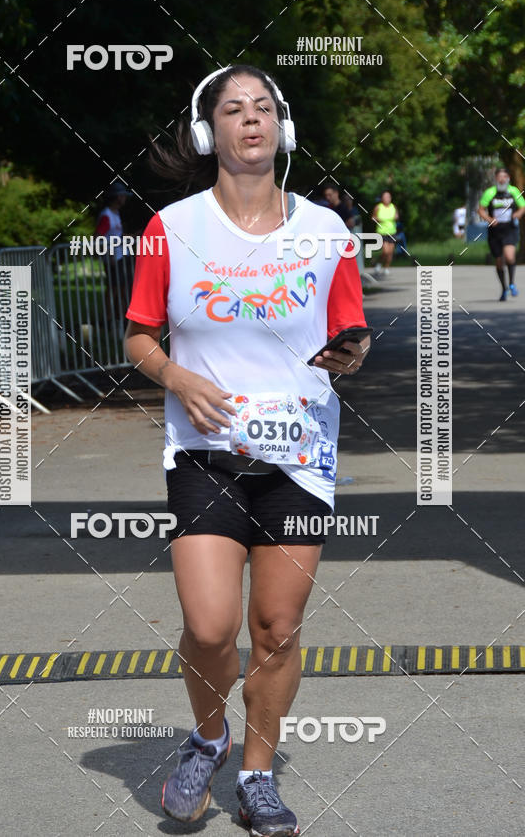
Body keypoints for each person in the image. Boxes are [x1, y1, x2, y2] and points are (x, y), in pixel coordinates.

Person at [124, 64, 370, 837]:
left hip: (298, 457)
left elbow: (351, 333)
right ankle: (207, 737)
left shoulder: (326, 232)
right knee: (207, 624)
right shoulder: (173, 228)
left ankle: (258, 776)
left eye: (263, 107)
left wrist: (350, 356)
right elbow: (137, 336)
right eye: (234, 109)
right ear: (210, 133)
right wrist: (175, 375)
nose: (251, 120)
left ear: (282, 128)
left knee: (275, 627)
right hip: (204, 451)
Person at [477, 167, 525, 300]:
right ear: (496, 178)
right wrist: (490, 219)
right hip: (495, 231)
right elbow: (480, 210)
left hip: (509, 229)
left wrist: (517, 214)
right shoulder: (490, 192)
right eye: (499, 176)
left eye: (504, 176)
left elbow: (523, 206)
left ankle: (511, 284)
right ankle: (503, 288)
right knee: (499, 260)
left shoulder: (513, 191)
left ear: (508, 178)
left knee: (510, 257)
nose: (502, 179)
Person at [95, 181, 133, 322]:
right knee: (113, 290)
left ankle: (121, 319)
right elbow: (98, 237)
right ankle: (109, 319)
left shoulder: (115, 214)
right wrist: (109, 253)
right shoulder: (107, 215)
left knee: (122, 290)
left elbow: (115, 236)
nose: (124, 199)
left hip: (120, 257)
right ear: (117, 197)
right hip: (113, 259)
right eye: (123, 196)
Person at [371, 189, 399, 277]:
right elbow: (373, 217)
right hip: (382, 232)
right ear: (382, 198)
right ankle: (378, 264)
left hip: (392, 231)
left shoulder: (393, 206)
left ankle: (386, 267)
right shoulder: (378, 207)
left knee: (390, 252)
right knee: (385, 251)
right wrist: (379, 219)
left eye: (388, 197)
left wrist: (396, 217)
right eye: (385, 197)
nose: (387, 198)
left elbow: (397, 216)